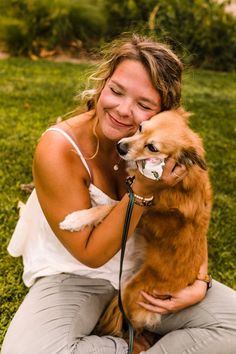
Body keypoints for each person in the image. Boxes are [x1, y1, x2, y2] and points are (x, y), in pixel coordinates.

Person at [2, 34, 236, 354]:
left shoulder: (168, 145)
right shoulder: (58, 148)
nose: (124, 111)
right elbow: (91, 254)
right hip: (77, 275)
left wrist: (201, 281)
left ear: (162, 112)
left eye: (143, 105)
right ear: (102, 82)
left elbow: (195, 211)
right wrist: (141, 190)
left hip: (147, 272)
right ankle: (124, 345)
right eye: (116, 91)